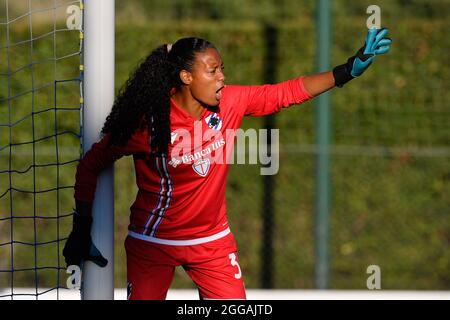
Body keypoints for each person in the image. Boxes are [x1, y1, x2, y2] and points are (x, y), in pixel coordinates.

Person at [63, 28, 391, 300]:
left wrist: (346, 70)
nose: (222, 78)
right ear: (186, 76)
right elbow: (92, 164)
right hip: (153, 243)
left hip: (212, 242)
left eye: (222, 69)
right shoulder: (147, 123)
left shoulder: (230, 103)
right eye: (213, 70)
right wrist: (81, 227)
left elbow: (286, 92)